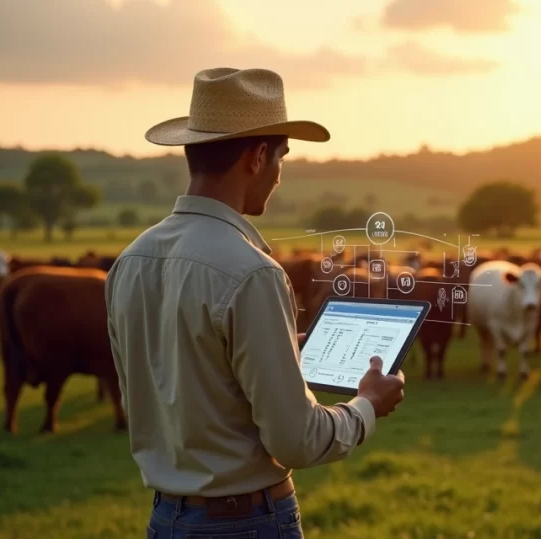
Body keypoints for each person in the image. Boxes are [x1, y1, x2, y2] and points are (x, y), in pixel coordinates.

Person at [105, 67, 406, 538]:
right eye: (282, 156)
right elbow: (297, 442)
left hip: (166, 519)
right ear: (259, 155)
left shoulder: (131, 260)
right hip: (245, 522)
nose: (280, 175)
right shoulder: (252, 273)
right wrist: (366, 405)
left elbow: (167, 386)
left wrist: (278, 352)